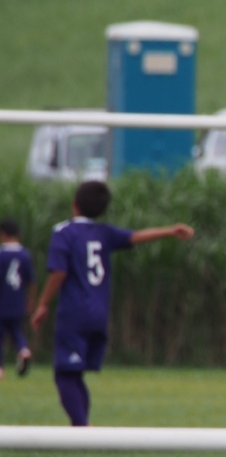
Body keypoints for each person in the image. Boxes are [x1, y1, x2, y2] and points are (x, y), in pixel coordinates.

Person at [31, 181, 194, 426]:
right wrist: (170, 230)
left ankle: (83, 430)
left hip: (75, 313)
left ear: (75, 204)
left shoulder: (64, 232)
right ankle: (83, 427)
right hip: (99, 314)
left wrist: (43, 304)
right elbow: (135, 236)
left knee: (64, 375)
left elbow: (59, 272)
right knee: (75, 375)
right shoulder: (103, 232)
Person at [0, 218, 36, 380]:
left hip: (2, 301)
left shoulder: (1, 255)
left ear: (3, 234)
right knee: (16, 331)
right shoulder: (25, 255)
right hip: (18, 301)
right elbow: (32, 281)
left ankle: (0, 368)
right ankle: (24, 350)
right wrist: (30, 300)